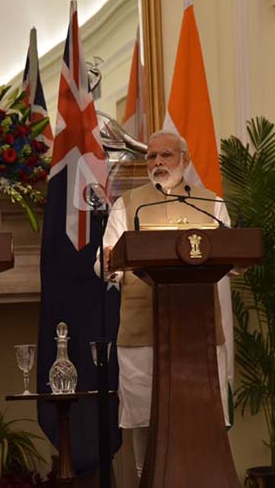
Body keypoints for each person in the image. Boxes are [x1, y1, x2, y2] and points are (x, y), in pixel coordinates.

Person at [99, 130, 231, 478]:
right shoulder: (127, 205)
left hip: (197, 334)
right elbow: (103, 264)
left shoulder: (211, 203)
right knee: (146, 423)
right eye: (151, 157)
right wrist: (112, 260)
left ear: (184, 161)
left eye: (166, 156)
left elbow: (232, 253)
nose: (157, 162)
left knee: (201, 421)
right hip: (144, 332)